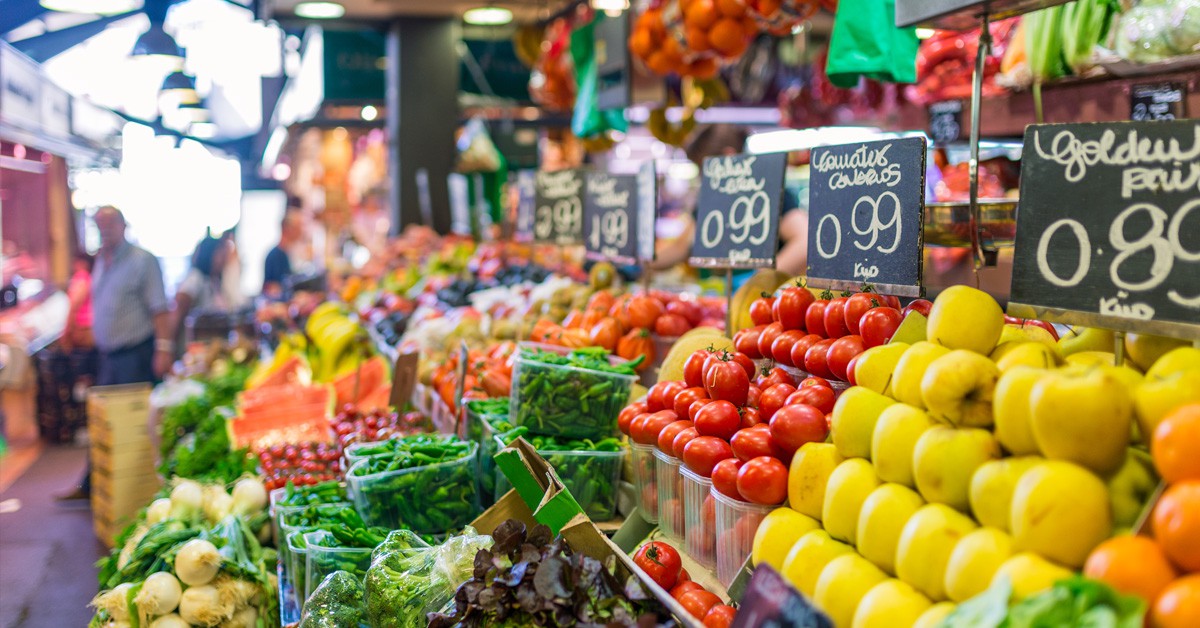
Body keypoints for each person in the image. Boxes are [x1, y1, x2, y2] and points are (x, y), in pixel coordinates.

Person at [59, 206, 171, 501]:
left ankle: (138, 488)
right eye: (99, 225)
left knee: (132, 426)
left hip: (135, 354)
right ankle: (93, 485)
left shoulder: (142, 261)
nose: (105, 230)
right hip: (108, 355)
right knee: (103, 421)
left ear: (123, 225)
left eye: (110, 224)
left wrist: (164, 349)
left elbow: (160, 310)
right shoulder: (101, 262)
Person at [171, 234, 233, 355]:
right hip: (193, 350)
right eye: (220, 254)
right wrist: (167, 348)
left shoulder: (212, 280)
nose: (224, 259)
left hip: (211, 350)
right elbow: (177, 312)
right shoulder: (195, 278)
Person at [263, 209, 303, 298]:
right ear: (288, 229)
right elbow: (271, 289)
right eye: (298, 228)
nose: (301, 231)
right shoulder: (275, 256)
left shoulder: (289, 253)